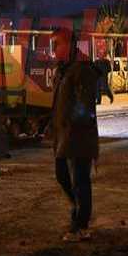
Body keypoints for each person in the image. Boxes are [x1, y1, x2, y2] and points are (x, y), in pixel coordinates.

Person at [48, 29, 100, 242]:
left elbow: (85, 104)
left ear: (69, 46)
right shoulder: (63, 71)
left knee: (80, 179)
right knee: (62, 175)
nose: (53, 50)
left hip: (79, 136)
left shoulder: (82, 71)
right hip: (64, 136)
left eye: (56, 45)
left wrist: (74, 121)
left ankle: (81, 224)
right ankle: (78, 209)